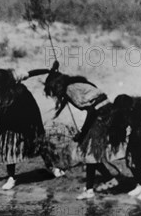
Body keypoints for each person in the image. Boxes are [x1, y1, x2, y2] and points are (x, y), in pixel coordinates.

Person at [0, 68, 65, 190]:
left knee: (37, 142)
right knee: (8, 148)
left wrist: (49, 71)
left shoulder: (16, 81)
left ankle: (51, 168)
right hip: (5, 120)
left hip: (23, 113)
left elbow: (32, 73)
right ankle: (11, 177)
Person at [42, 63, 119, 200]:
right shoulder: (73, 86)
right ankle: (109, 180)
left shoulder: (71, 89)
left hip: (102, 116)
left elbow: (91, 111)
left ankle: (89, 191)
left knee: (89, 155)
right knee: (91, 154)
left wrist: (83, 133)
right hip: (104, 113)